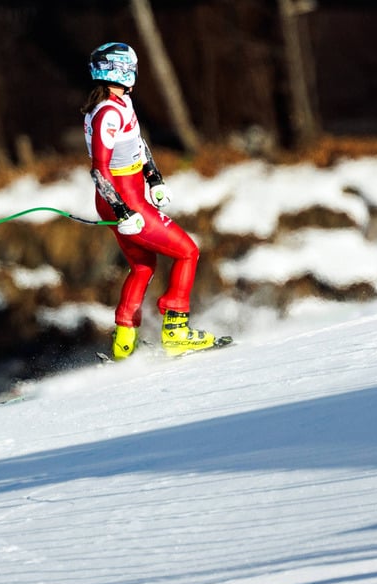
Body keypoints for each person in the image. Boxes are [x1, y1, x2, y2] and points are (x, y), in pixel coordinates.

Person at [81, 42, 216, 359]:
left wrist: (153, 177)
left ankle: (123, 345)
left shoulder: (120, 102)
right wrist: (123, 210)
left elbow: (138, 144)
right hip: (124, 199)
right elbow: (99, 171)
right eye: (133, 66)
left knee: (143, 267)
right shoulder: (108, 113)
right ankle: (176, 329)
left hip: (129, 195)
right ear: (121, 70)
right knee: (187, 252)